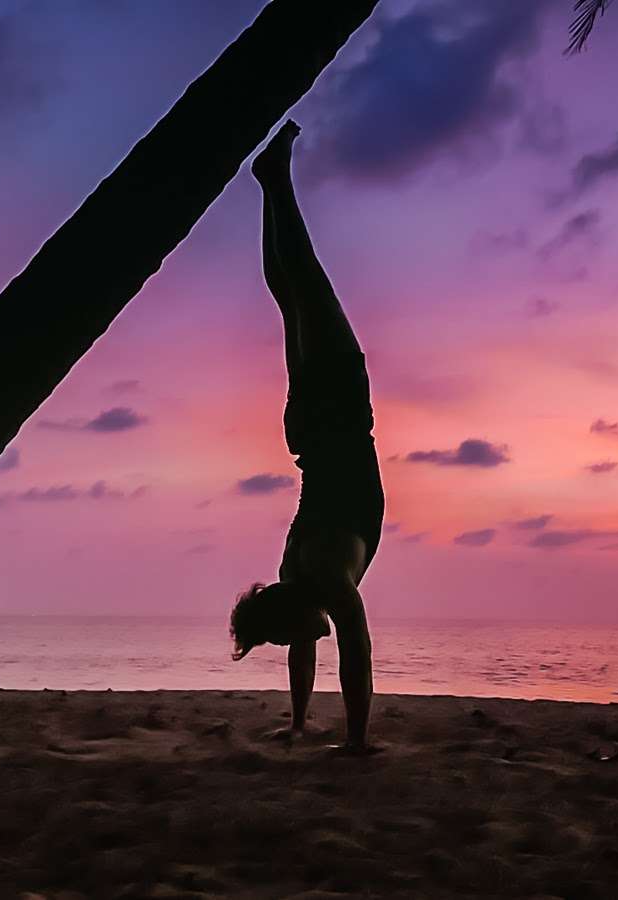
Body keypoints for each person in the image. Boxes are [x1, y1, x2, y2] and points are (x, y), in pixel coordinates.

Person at [229, 120, 383, 753]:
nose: (301, 643)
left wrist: (355, 741)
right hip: (310, 430)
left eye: (293, 634)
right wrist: (296, 725)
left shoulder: (324, 581)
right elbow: (309, 648)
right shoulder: (292, 574)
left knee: (305, 284)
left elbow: (357, 655)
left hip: (338, 409)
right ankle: (269, 182)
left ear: (293, 612)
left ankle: (277, 179)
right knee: (291, 298)